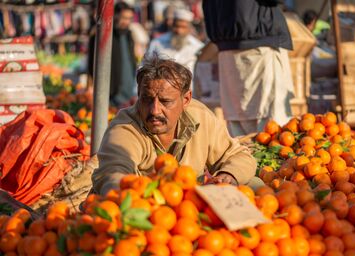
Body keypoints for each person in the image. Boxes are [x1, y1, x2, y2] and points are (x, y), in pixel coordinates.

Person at [91, 55, 258, 195]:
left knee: (257, 185)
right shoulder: (125, 128)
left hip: (188, 210)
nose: (155, 110)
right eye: (147, 99)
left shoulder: (200, 116)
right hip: (144, 210)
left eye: (165, 101)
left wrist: (227, 175)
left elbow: (239, 156)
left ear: (185, 100)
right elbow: (113, 174)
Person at [202, 0, 295, 137]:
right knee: (272, 122)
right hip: (259, 44)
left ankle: (243, 157)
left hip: (227, 43)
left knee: (238, 120)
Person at [88, 2, 137, 108]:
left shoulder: (128, 35)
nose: (126, 22)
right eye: (124, 18)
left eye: (129, 18)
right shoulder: (102, 35)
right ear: (115, 15)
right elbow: (92, 63)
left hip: (129, 91)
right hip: (111, 92)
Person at [146, 8, 204, 74]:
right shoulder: (157, 43)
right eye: (177, 26)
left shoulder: (198, 47)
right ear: (172, 25)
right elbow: (145, 66)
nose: (179, 31)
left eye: (183, 27)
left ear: (189, 28)